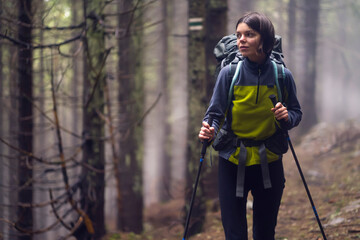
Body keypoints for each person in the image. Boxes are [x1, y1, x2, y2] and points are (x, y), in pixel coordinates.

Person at [198, 12, 302, 240]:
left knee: (265, 233)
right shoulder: (229, 74)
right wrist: (209, 129)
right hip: (232, 160)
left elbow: (296, 113)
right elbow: (214, 114)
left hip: (270, 160)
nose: (241, 40)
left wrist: (286, 118)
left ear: (264, 40)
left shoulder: (282, 76)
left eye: (249, 34)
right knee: (234, 234)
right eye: (238, 35)